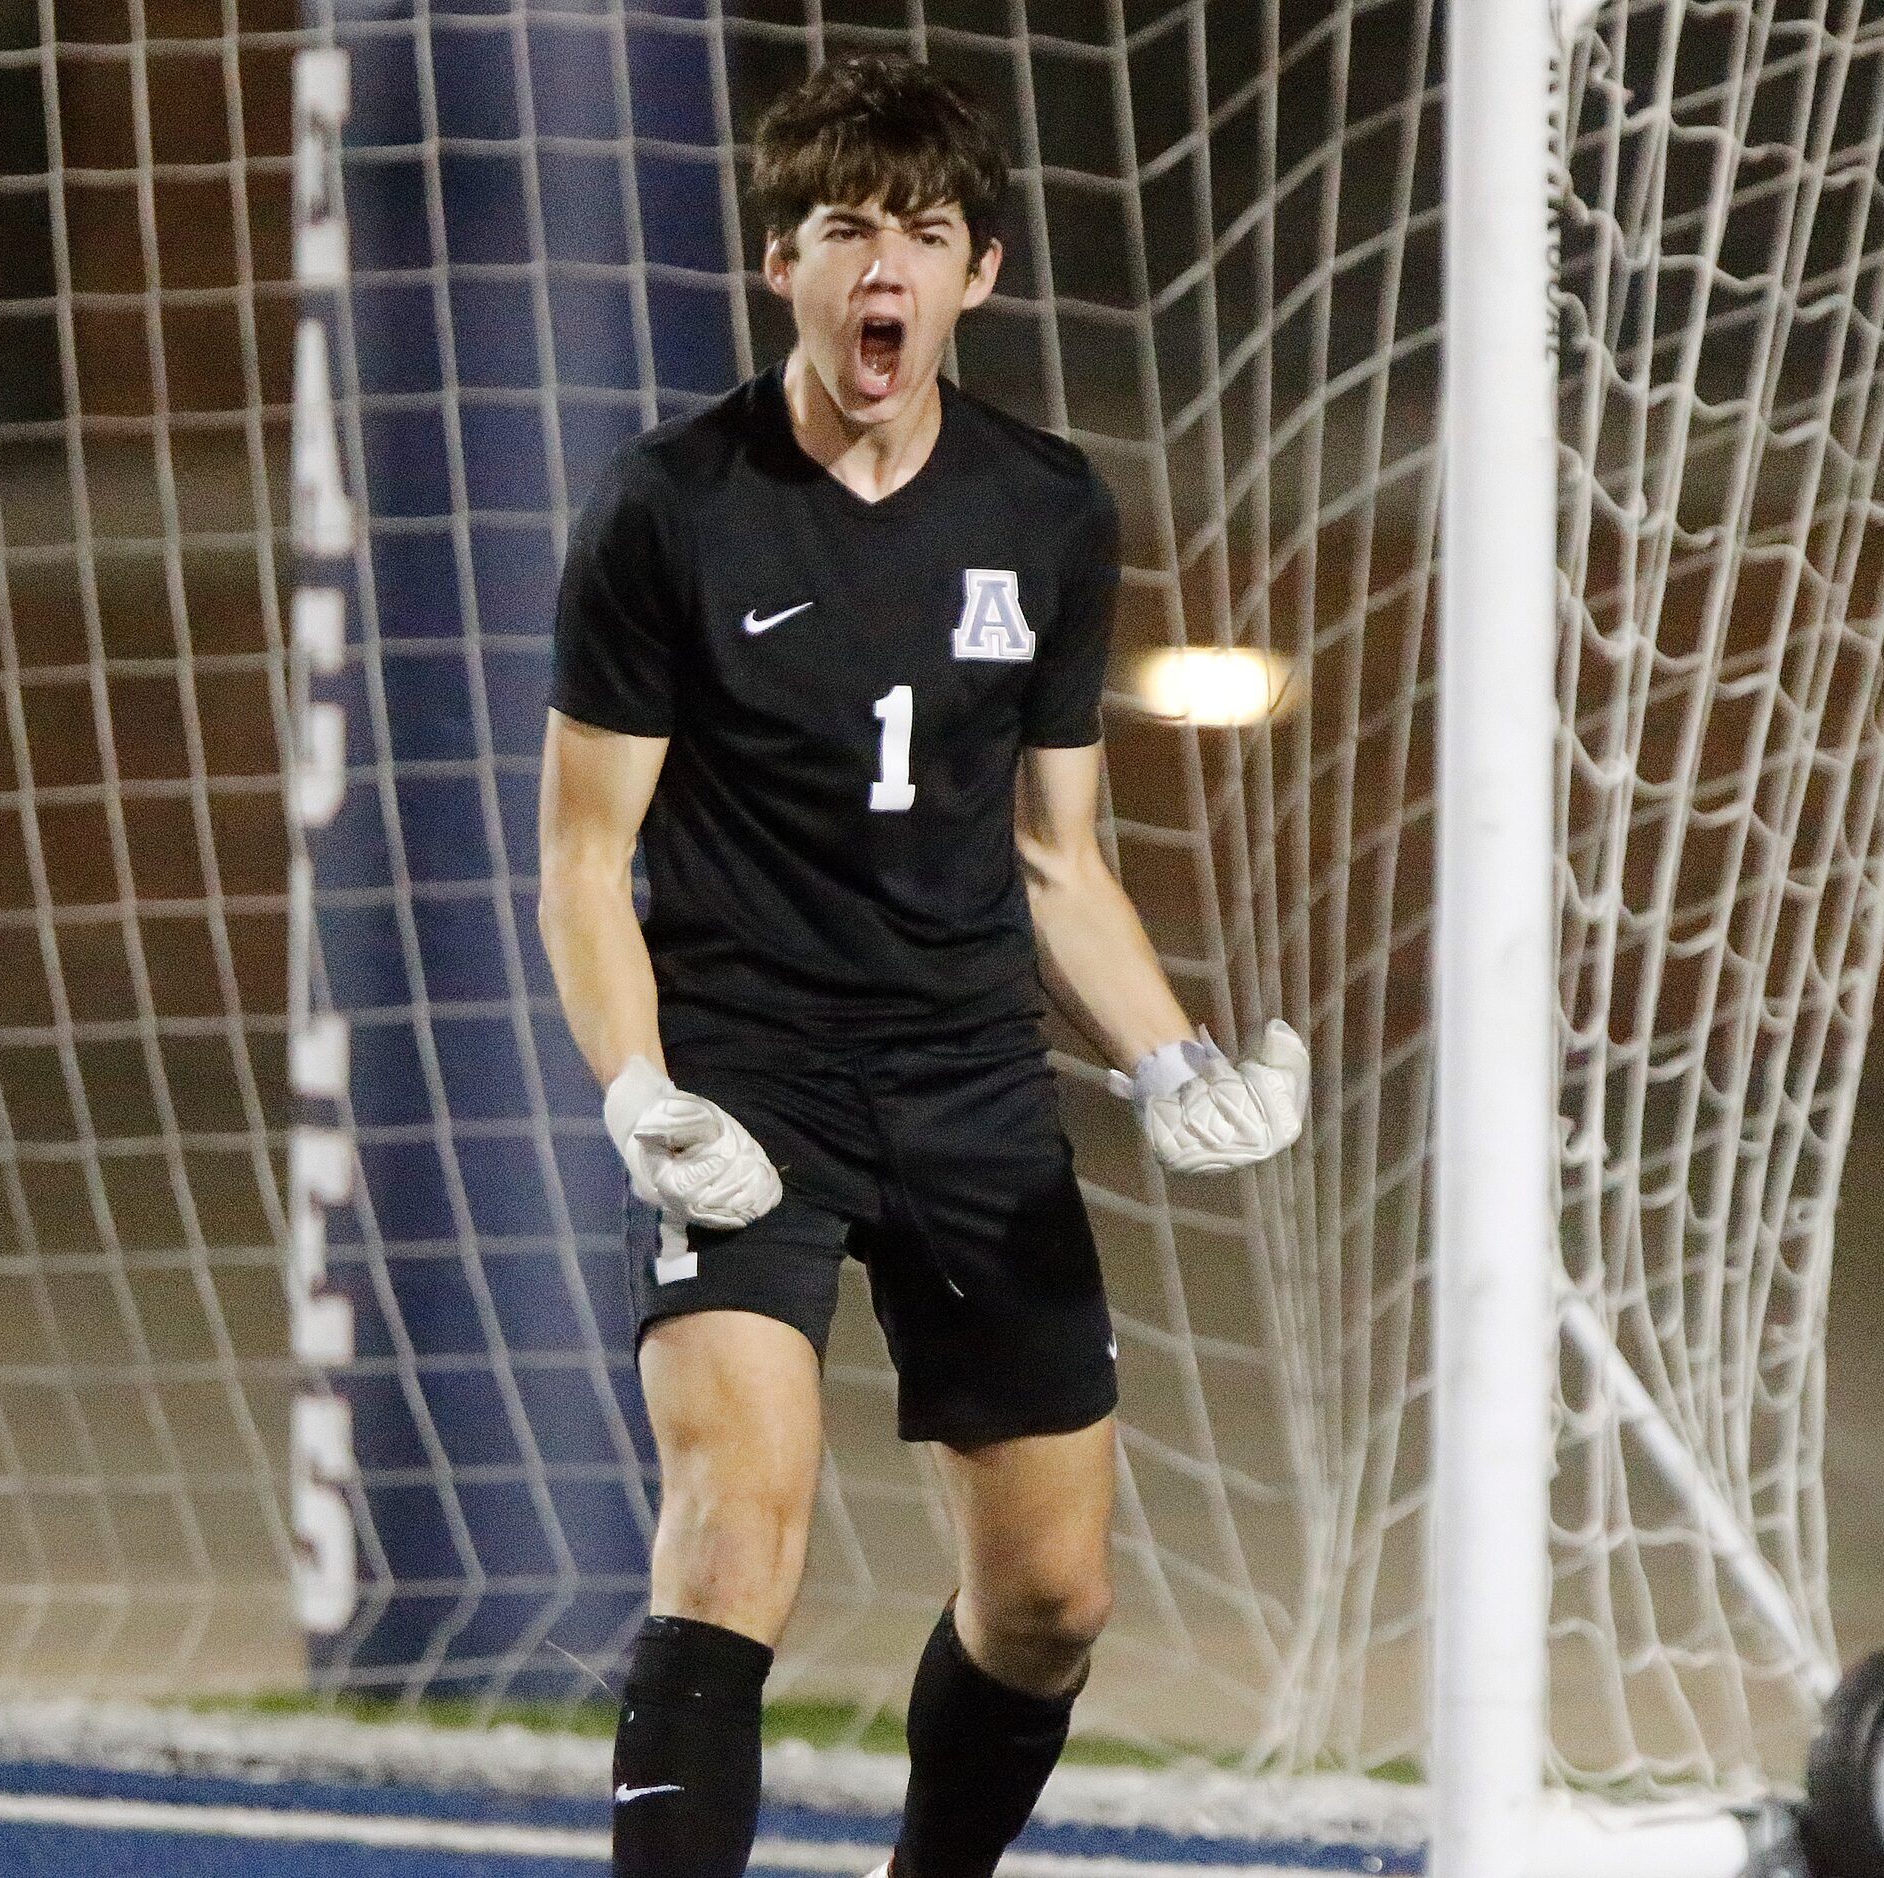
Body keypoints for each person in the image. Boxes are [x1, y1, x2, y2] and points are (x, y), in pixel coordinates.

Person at [538, 51, 1308, 1878]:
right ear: (780, 265)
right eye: (844, 232)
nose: (883, 268)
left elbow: (1056, 861)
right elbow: (582, 861)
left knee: (1051, 1596)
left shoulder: (1047, 513)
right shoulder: (668, 507)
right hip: (750, 1078)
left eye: (924, 232)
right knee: (737, 1528)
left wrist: (1173, 1060)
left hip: (970, 1083)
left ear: (982, 274)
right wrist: (642, 1094)